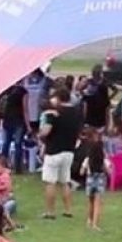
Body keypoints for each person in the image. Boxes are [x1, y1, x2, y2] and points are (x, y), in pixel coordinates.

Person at [38, 88, 82, 219]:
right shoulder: (76, 112)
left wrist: (40, 135)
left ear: (57, 98)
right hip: (69, 150)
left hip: (54, 151)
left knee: (50, 182)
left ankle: (50, 212)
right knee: (65, 181)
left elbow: (46, 131)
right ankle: (68, 210)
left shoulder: (54, 113)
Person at [81, 128, 109, 231]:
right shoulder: (103, 159)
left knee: (90, 202)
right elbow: (108, 170)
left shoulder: (88, 159)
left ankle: (89, 219)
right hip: (100, 178)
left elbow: (81, 171)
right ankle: (95, 224)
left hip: (90, 178)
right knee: (97, 202)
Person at [0, 79, 29, 172]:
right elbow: (25, 109)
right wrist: (28, 125)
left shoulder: (7, 90)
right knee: (18, 144)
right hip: (18, 121)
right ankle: (18, 168)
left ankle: (2, 165)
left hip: (7, 120)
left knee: (6, 143)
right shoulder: (23, 92)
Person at [81, 65, 114, 131]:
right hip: (94, 105)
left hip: (99, 104)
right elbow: (80, 88)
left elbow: (115, 90)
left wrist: (109, 98)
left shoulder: (100, 81)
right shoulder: (92, 81)